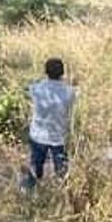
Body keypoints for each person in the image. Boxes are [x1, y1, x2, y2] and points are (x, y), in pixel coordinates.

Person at [23, 58, 76, 189]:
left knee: (36, 166)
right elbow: (73, 97)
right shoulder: (69, 91)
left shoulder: (37, 88)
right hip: (58, 136)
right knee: (61, 170)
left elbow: (27, 90)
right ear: (62, 73)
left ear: (45, 71)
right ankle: (63, 194)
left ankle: (30, 191)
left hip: (38, 135)